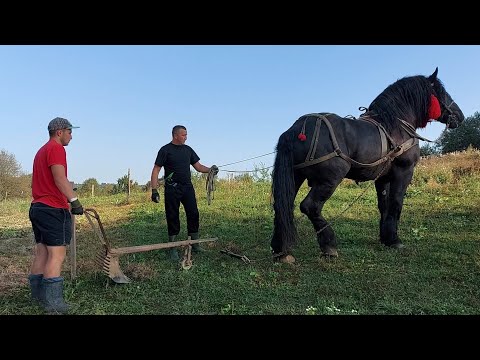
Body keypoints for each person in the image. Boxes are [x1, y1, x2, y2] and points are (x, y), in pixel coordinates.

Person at [28, 117, 84, 314]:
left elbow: (54, 179)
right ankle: (53, 304)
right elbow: (59, 178)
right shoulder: (56, 148)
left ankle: (38, 298)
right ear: (59, 131)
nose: (71, 135)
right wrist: (74, 200)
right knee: (57, 255)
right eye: (69, 131)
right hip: (52, 208)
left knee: (43, 252)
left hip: (38, 207)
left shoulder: (41, 150)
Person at [150, 125, 218, 261]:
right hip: (172, 188)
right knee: (172, 216)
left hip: (187, 188)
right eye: (183, 135)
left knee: (193, 213)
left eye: (186, 135)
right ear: (175, 135)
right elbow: (156, 170)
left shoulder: (188, 150)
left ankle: (195, 244)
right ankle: (172, 247)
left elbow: (198, 167)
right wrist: (154, 190)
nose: (186, 137)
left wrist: (210, 169)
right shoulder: (165, 150)